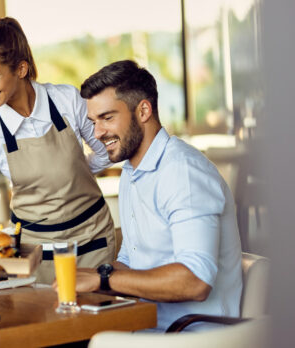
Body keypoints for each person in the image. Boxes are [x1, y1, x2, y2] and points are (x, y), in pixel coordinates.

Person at [72, 60, 242, 331]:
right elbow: (131, 260)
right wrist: (88, 275)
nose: (97, 133)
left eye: (107, 118)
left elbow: (196, 281)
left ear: (143, 110)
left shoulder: (182, 172)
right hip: (148, 324)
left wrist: (103, 280)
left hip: (194, 334)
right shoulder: (131, 171)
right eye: (93, 121)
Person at [0, 17, 116, 283]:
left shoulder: (67, 100)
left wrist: (71, 172)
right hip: (34, 255)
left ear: (20, 69)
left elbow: (105, 151)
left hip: (92, 242)